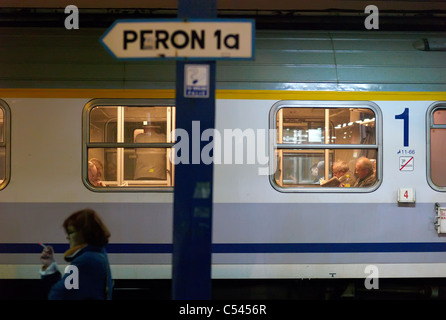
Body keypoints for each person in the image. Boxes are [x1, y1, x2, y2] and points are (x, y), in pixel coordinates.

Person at [39, 209, 113, 300]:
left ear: (84, 233)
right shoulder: (98, 255)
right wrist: (50, 266)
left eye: (70, 232)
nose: (67, 237)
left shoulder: (86, 260)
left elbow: (58, 295)